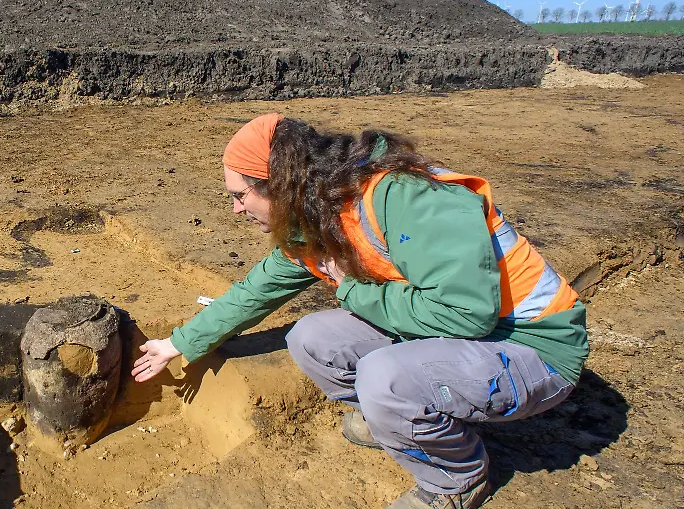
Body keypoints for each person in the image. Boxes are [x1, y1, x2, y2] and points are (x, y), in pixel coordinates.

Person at [131, 113, 588, 509]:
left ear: (279, 185)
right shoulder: (317, 212)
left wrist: (354, 291)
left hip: (532, 346)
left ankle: (456, 477)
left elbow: (467, 315)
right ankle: (407, 420)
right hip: (464, 338)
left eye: (240, 195)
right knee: (311, 338)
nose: (235, 210)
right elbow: (258, 289)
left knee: (384, 378)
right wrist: (180, 342)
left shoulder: (405, 199)